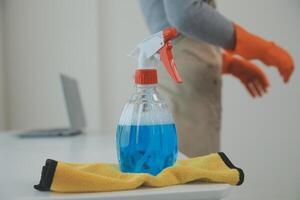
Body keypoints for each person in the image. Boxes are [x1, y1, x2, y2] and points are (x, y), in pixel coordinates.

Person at [139, 0, 294, 157]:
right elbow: (185, 14)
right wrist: (259, 47)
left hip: (178, 77)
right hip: (186, 84)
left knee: (181, 169)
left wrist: (225, 62)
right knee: (190, 173)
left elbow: (164, 21)